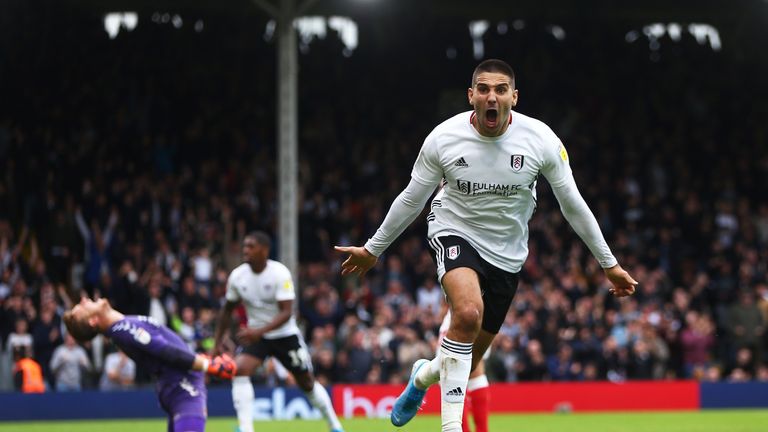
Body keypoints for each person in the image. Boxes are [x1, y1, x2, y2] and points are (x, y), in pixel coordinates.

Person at [335, 58, 637, 432]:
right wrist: (373, 249)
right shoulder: (443, 139)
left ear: (514, 96)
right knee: (467, 314)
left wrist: (608, 263)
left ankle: (422, 378)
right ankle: (450, 428)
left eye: (499, 90)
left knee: (465, 357)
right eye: (483, 89)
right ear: (471, 96)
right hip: (453, 228)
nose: (491, 97)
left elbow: (572, 204)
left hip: (508, 254)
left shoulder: (541, 140)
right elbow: (412, 198)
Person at [213, 231, 344, 432]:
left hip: (285, 335)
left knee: (307, 383)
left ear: (264, 250)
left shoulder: (279, 273)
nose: (245, 250)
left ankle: (334, 425)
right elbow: (226, 311)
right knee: (239, 370)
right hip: (257, 336)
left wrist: (259, 331)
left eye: (251, 246)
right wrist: (216, 344)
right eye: (244, 246)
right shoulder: (237, 277)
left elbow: (286, 312)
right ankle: (246, 428)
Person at [63, 297, 236, 432]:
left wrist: (202, 360)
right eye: (82, 307)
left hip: (179, 385)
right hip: (183, 388)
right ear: (93, 321)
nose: (84, 300)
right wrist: (210, 365)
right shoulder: (124, 330)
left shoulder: (122, 326)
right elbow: (165, 351)